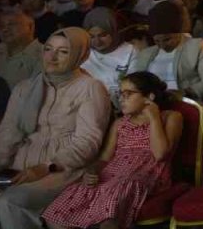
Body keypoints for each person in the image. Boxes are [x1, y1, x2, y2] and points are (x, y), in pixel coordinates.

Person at [0, 28, 111, 229]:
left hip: (60, 170)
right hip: (18, 168)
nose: (52, 57)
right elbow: (8, 133)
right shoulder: (25, 87)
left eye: (63, 52)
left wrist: (46, 166)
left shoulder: (90, 88)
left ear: (80, 55)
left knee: (9, 204)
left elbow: (87, 143)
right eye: (48, 49)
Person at [41, 72, 183, 229]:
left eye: (128, 94)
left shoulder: (170, 117)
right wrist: (92, 171)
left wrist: (154, 117)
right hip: (113, 173)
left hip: (146, 175)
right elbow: (104, 158)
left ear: (149, 97)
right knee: (62, 208)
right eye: (120, 94)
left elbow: (160, 154)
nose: (121, 99)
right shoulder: (120, 124)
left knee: (114, 202)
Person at [130, 1, 203, 102]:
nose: (162, 45)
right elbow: (136, 83)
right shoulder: (146, 54)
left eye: (167, 39)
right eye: (157, 41)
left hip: (186, 104)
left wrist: (185, 93)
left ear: (178, 32)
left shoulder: (197, 47)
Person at [79, 8, 136, 107]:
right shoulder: (83, 52)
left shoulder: (130, 51)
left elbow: (133, 86)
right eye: (91, 36)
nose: (97, 41)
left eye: (103, 35)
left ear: (114, 32)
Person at [0, 8, 43, 87]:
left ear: (30, 26)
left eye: (12, 24)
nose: (5, 29)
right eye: (1, 25)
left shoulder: (44, 56)